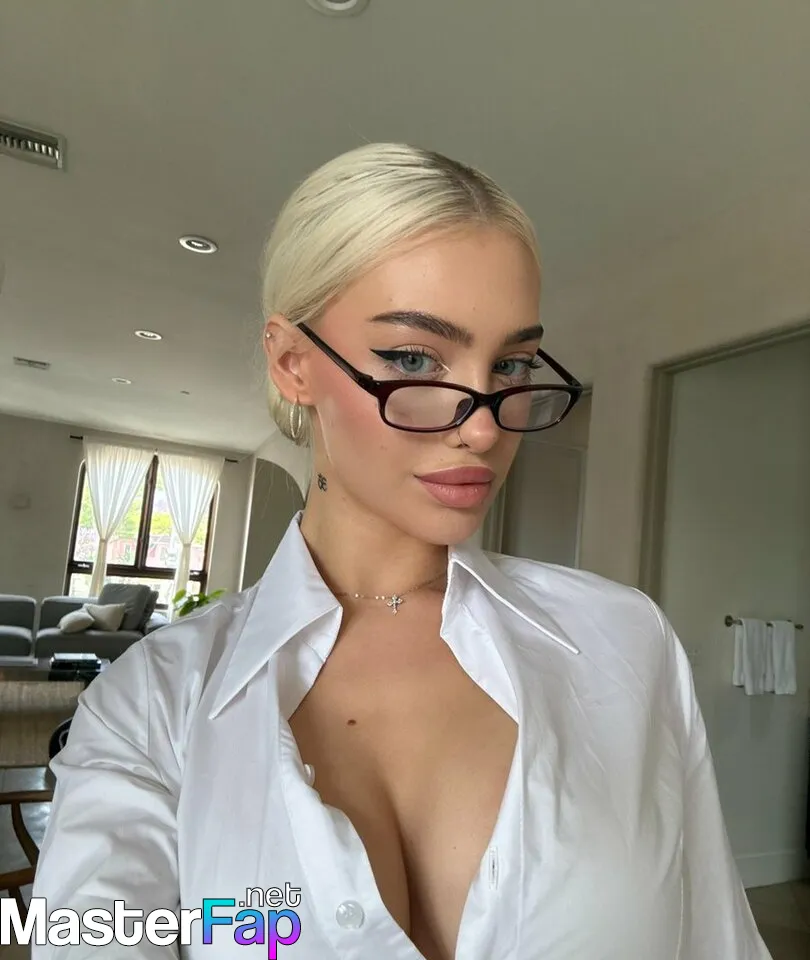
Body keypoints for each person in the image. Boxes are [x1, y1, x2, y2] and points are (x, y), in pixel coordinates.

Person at [32, 143, 771, 960]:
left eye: (511, 364)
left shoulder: (624, 644)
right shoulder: (151, 707)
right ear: (293, 363)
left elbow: (716, 939)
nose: (482, 425)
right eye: (413, 358)